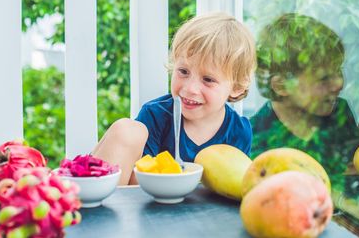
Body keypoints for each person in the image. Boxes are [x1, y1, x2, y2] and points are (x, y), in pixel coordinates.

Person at [92, 12, 257, 185]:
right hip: (153, 205)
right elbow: (137, 184)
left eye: (208, 79)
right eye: (183, 72)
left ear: (237, 87)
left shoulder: (239, 130)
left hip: (203, 211)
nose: (190, 88)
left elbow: (235, 185)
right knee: (127, 130)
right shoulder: (156, 116)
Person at [251, 13, 359, 191]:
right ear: (281, 86)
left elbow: (354, 174)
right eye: (323, 78)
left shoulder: (340, 112)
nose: (339, 84)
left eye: (338, 70)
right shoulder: (256, 139)